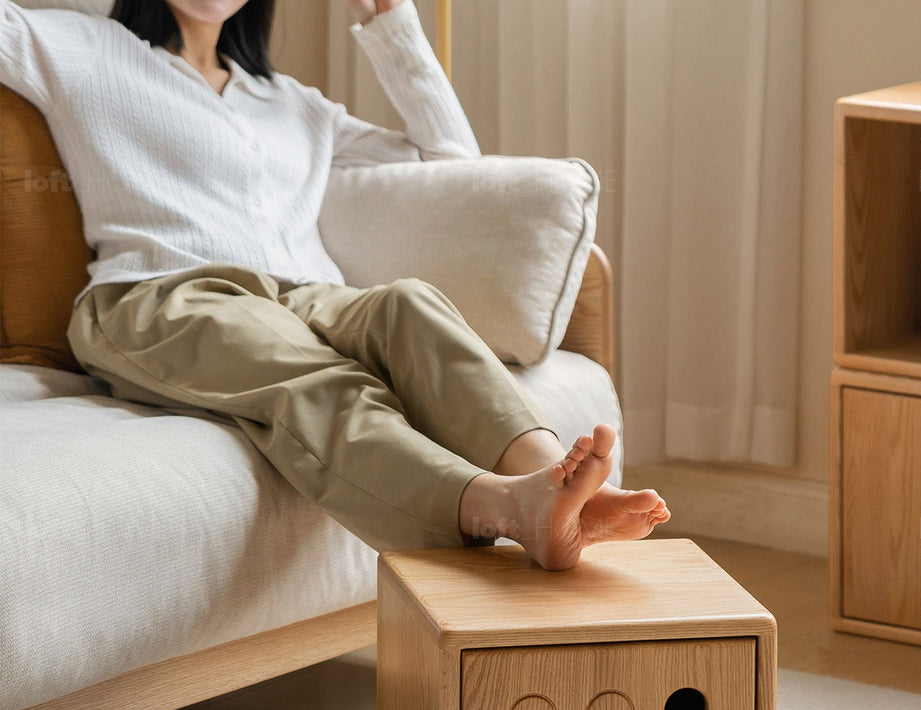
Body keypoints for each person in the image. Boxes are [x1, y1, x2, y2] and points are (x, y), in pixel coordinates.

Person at [0, 0, 669, 570]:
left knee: (410, 304)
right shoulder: (80, 47)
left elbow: (450, 162)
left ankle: (555, 481)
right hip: (162, 293)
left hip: (305, 297)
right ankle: (504, 508)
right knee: (325, 382)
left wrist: (389, 21)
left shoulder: (293, 104)